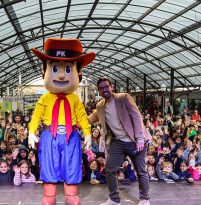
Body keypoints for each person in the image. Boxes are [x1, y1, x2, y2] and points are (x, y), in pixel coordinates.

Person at [28, 38, 95, 204]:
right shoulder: (44, 98)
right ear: (45, 70)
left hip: (70, 135)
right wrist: (31, 131)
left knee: (71, 164)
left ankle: (71, 195)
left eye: (68, 69)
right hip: (49, 134)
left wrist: (87, 133)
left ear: (78, 72)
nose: (61, 75)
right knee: (49, 164)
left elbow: (81, 116)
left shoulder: (74, 99)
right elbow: (36, 115)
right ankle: (49, 196)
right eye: (55, 68)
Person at [88, 77, 150, 205]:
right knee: (110, 168)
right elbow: (90, 119)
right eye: (101, 88)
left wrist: (139, 138)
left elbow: (136, 116)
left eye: (106, 86)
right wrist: (73, 114)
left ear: (111, 87)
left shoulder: (124, 98)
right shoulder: (100, 106)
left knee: (141, 171)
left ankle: (144, 199)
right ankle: (114, 199)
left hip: (135, 140)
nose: (104, 89)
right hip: (118, 142)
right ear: (99, 91)